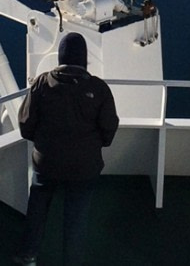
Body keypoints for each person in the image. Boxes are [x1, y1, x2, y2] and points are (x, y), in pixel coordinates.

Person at [14, 32, 119, 266]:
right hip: (84, 166)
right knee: (76, 218)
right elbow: (109, 128)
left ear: (60, 57)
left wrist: (42, 143)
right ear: (84, 59)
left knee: (38, 210)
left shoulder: (41, 83)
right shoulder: (99, 89)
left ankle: (28, 255)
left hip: (47, 161)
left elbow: (25, 124)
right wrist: (94, 145)